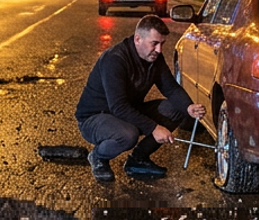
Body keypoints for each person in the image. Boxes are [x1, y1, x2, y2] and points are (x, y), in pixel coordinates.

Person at [75, 14, 206, 182]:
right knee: (129, 135)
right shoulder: (115, 59)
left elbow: (171, 88)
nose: (159, 50)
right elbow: (118, 106)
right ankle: (98, 156)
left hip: (128, 111)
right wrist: (153, 128)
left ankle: (138, 159)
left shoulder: (154, 58)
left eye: (162, 44)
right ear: (138, 39)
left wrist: (188, 107)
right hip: (95, 117)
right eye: (154, 43)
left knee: (175, 110)